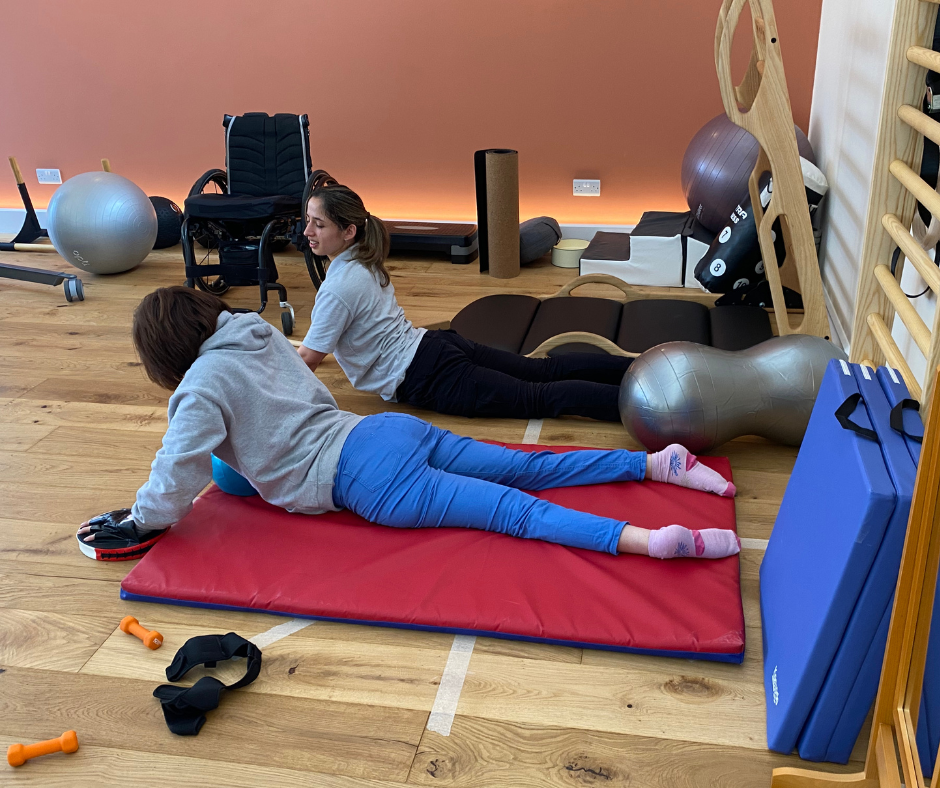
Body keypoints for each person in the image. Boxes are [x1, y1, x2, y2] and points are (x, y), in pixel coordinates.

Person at [76, 287, 739, 563]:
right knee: (527, 468)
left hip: (366, 479)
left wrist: (141, 520)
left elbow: (179, 469)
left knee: (516, 513)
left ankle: (653, 543)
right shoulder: (253, 331)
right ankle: (659, 464)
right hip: (384, 429)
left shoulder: (197, 389)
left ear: (164, 354)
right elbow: (306, 387)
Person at [297, 184, 632, 422]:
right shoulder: (362, 258)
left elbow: (308, 360)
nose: (307, 231)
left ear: (349, 231)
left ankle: (648, 407)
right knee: (542, 371)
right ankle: (638, 368)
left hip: (425, 374)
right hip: (434, 344)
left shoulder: (338, 287)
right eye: (308, 220)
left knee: (537, 397)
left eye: (319, 224)